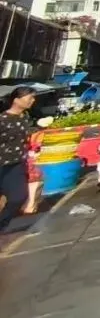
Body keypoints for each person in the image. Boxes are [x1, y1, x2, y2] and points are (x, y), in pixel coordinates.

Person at [0, 86, 37, 231]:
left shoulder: (25, 118)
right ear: (16, 100)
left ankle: (2, 222)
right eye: (29, 98)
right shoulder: (2, 119)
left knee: (19, 197)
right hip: (2, 163)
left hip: (17, 163)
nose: (32, 101)